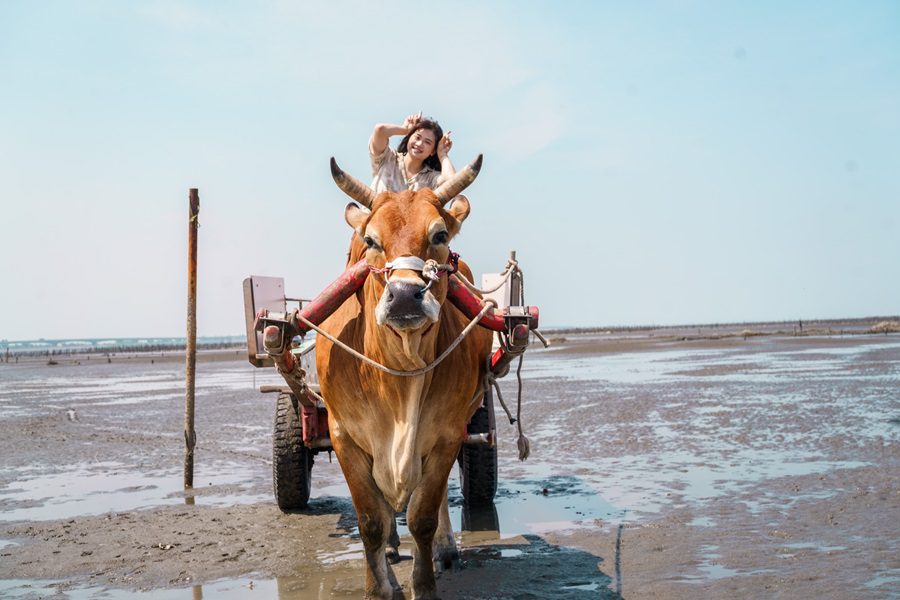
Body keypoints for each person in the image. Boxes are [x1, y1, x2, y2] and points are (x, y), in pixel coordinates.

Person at [369, 112, 455, 193]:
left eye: (427, 142)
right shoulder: (387, 158)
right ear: (409, 137)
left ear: (433, 151)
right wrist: (405, 130)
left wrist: (443, 155)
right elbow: (380, 130)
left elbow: (452, 186)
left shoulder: (431, 178)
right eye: (417, 137)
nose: (419, 144)